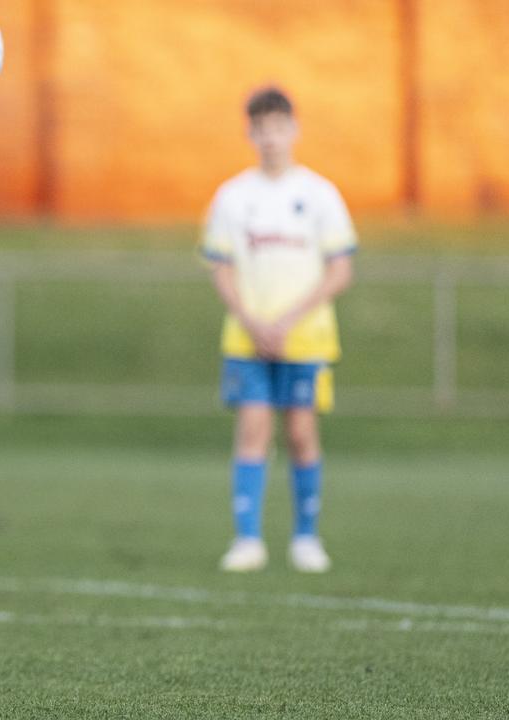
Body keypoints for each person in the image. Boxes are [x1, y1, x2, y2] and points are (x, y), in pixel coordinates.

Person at [200, 87, 356, 573]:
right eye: (261, 129)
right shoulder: (232, 196)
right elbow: (220, 266)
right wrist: (252, 320)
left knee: (302, 435)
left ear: (294, 130)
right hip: (249, 338)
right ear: (250, 133)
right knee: (251, 431)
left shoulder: (318, 194)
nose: (270, 138)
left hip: (305, 339)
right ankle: (247, 540)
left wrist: (288, 320)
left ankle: (306, 538)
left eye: (278, 127)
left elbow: (340, 269)